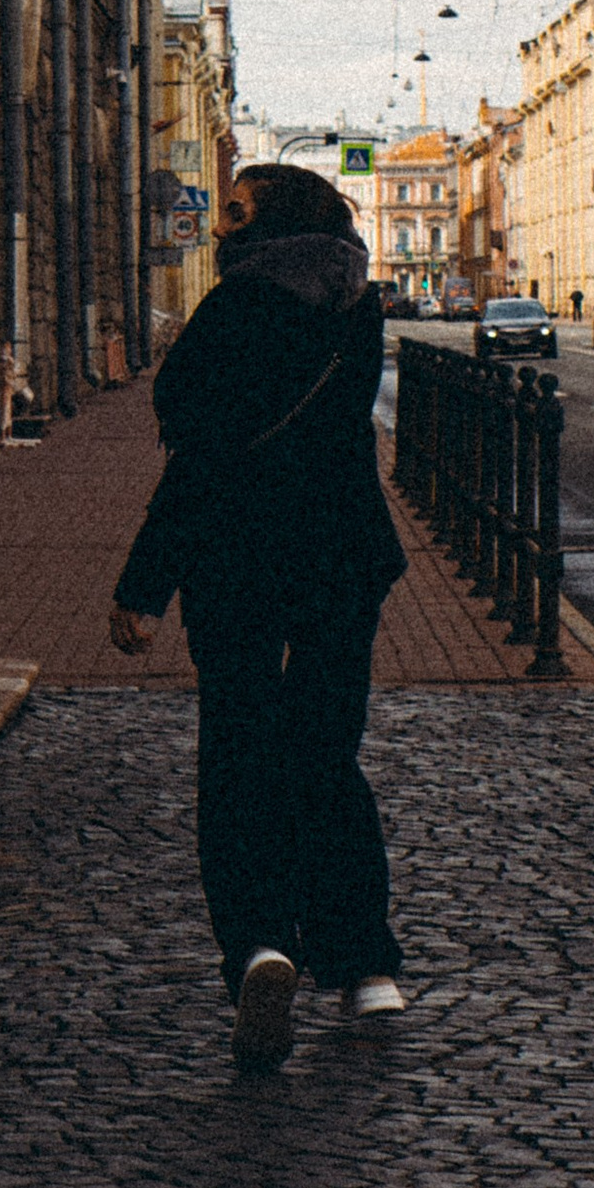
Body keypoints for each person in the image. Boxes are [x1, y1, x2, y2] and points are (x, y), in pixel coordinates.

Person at [107, 162, 406, 1070]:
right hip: (343, 561)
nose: (222, 224)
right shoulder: (358, 310)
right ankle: (366, 965)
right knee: (324, 752)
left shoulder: (236, 310)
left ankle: (260, 947)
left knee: (238, 757)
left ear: (269, 220)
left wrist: (141, 585)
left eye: (236, 210)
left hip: (239, 563)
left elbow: (199, 463)